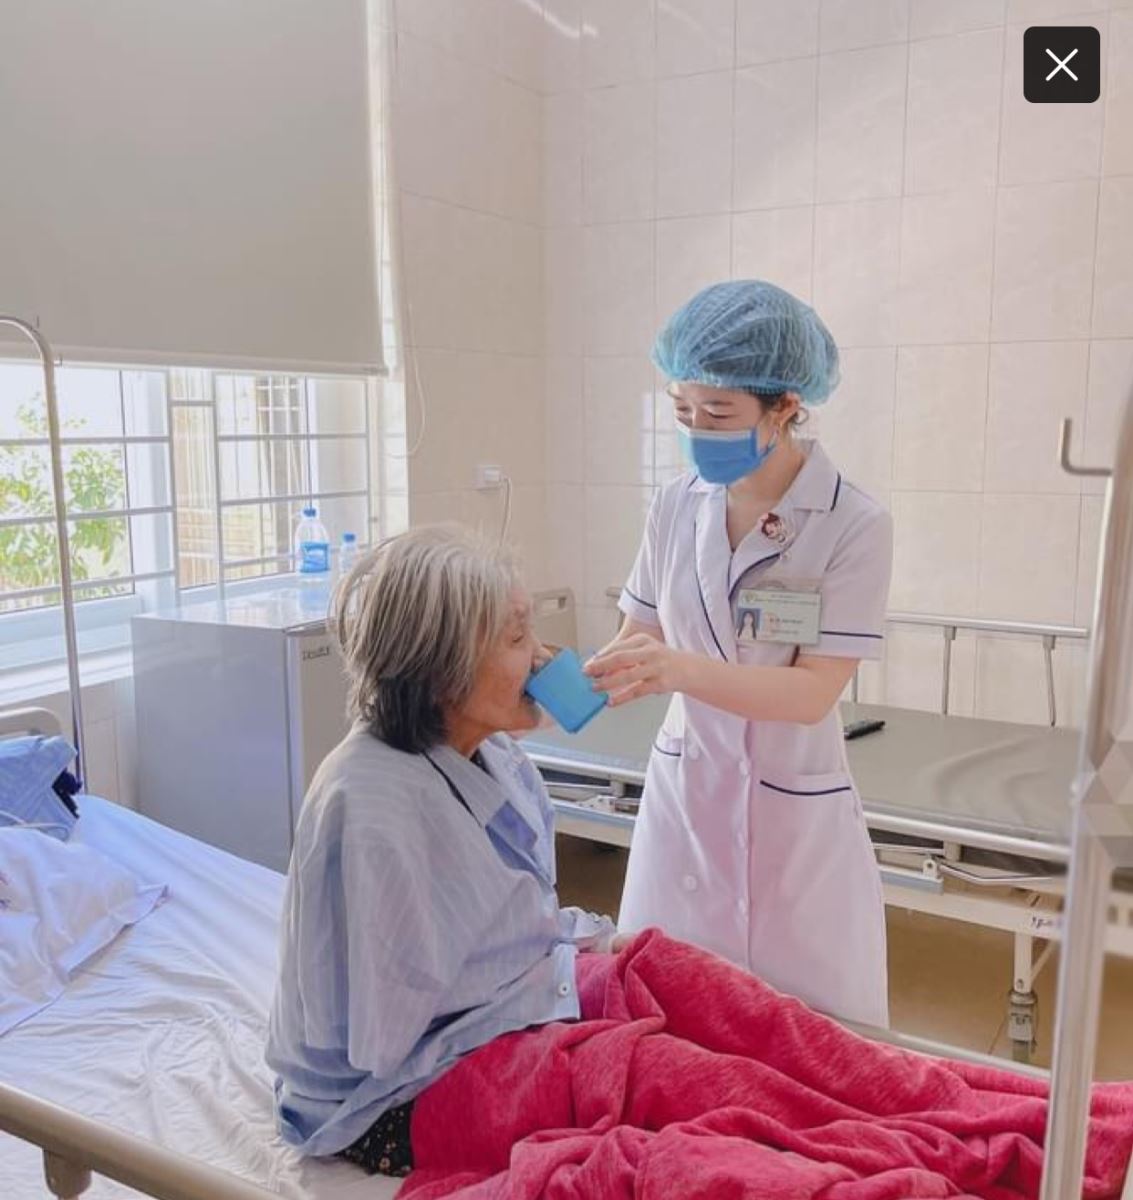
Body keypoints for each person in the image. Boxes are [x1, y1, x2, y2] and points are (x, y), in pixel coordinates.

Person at [266, 526, 622, 1176]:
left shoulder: (494, 752)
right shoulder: (369, 803)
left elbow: (510, 923)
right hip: (389, 1099)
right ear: (440, 669)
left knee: (668, 973)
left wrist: (592, 954)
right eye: (516, 638)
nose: (543, 656)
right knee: (644, 1071)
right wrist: (554, 997)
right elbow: (389, 1035)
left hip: (485, 1020)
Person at [584, 280, 892, 1028]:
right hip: (685, 801)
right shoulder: (674, 504)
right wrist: (569, 674)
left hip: (794, 816)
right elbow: (640, 633)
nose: (697, 429)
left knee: (809, 1037)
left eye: (717, 412)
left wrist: (679, 671)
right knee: (668, 1024)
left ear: (784, 406)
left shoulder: (852, 522)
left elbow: (811, 694)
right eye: (682, 410)